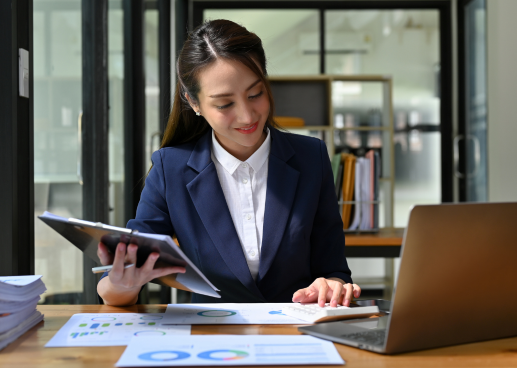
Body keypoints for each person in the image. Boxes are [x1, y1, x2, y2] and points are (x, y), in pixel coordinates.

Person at [97, 19, 361, 307]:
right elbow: (119, 282)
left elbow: (334, 269)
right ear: (194, 102)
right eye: (224, 104)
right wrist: (122, 285)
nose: (247, 116)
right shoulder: (170, 169)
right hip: (211, 339)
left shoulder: (312, 158)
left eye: (255, 94)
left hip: (296, 334)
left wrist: (332, 286)